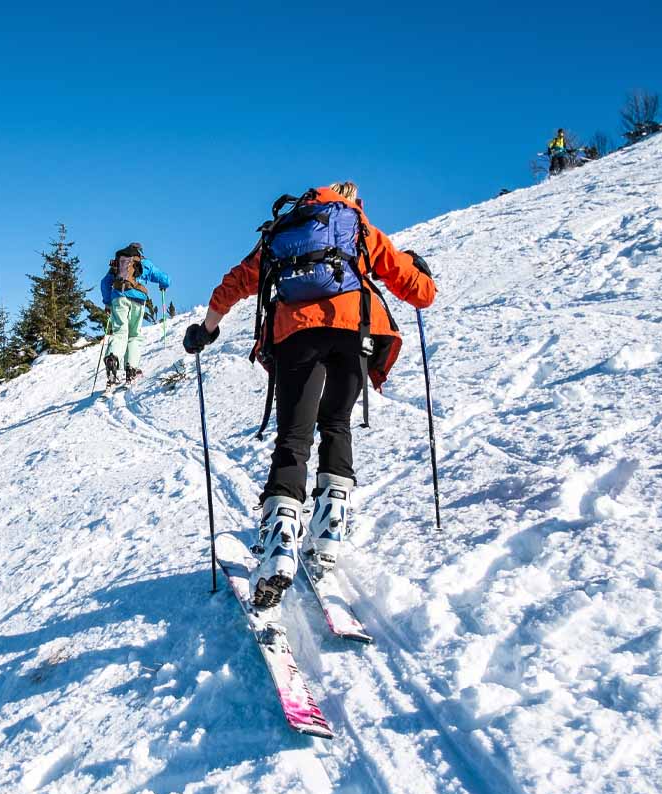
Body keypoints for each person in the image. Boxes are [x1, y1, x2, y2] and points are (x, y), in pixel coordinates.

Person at [183, 182, 436, 608]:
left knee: (294, 438)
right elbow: (420, 294)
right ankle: (329, 530)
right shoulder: (358, 227)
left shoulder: (283, 232)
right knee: (337, 423)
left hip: (296, 336)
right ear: (352, 200)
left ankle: (280, 544)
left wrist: (205, 330)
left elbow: (233, 284)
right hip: (356, 333)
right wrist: (421, 271)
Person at [100, 243, 171, 389]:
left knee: (120, 332)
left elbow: (105, 282)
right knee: (134, 335)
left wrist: (108, 303)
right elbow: (162, 277)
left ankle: (112, 358)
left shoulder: (118, 263)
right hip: (138, 299)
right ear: (139, 252)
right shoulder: (144, 263)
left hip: (118, 297)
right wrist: (164, 284)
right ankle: (131, 369)